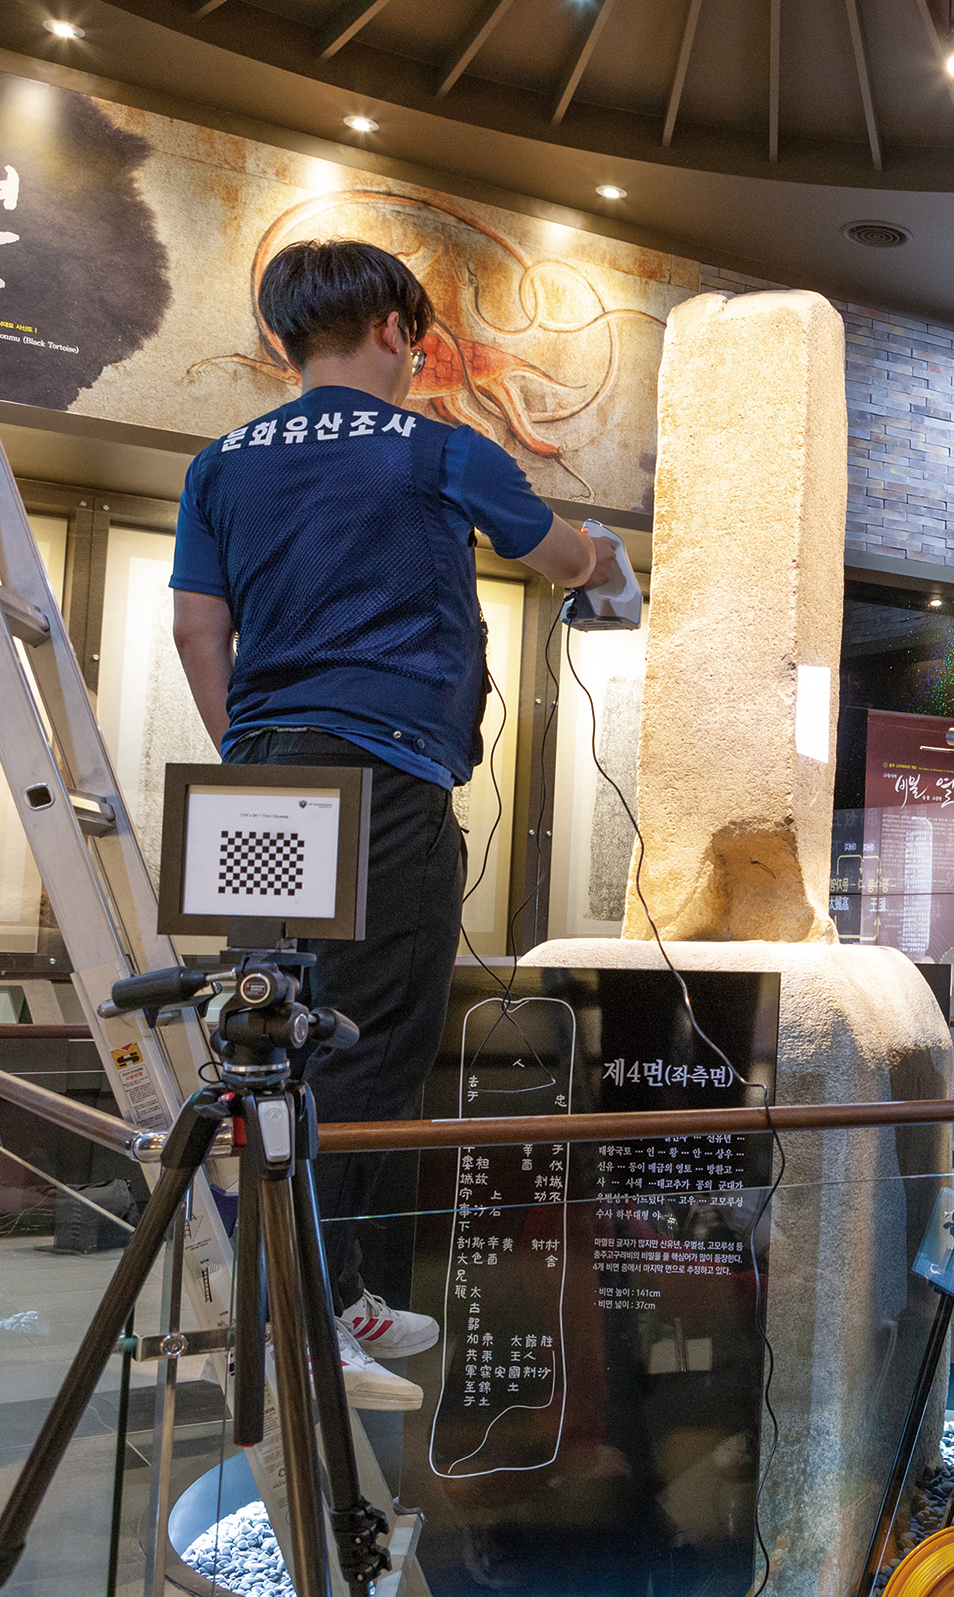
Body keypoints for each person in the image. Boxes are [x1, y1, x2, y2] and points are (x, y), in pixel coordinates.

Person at [171, 239, 605, 1405]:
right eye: (414, 338)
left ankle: (335, 1286)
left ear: (284, 340)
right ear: (397, 333)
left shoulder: (219, 464)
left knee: (268, 1041)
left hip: (257, 779)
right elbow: (559, 553)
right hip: (382, 777)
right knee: (367, 1044)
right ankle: (319, 1321)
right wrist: (601, 561)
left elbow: (197, 634)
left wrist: (253, 753)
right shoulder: (436, 447)